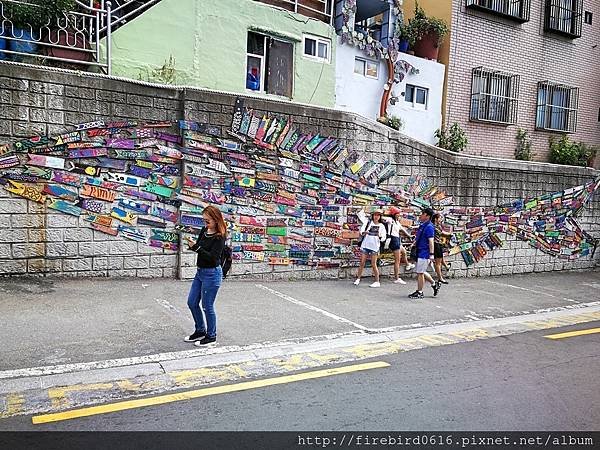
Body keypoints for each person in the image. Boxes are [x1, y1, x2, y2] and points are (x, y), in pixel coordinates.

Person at [184, 205, 226, 346]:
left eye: (208, 221)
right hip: (200, 272)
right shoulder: (204, 230)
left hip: (212, 274)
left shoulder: (219, 237)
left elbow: (213, 258)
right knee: (192, 302)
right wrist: (193, 246)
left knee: (207, 306)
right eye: (204, 221)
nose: (205, 224)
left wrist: (196, 248)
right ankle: (200, 330)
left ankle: (211, 336)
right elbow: (200, 248)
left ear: (216, 220)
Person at [408, 207, 441, 299]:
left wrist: (431, 255)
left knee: (420, 273)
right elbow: (419, 237)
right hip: (419, 251)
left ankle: (420, 292)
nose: (420, 215)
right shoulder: (423, 225)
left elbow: (431, 241)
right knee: (421, 271)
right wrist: (414, 243)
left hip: (424, 253)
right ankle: (434, 284)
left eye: (422, 213)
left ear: (427, 216)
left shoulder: (429, 227)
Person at [354, 208, 387, 288]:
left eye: (378, 215)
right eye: (375, 215)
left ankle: (377, 281)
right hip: (366, 245)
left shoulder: (381, 226)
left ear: (380, 217)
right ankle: (358, 278)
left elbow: (384, 238)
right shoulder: (368, 222)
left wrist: (379, 236)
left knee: (373, 264)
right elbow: (361, 231)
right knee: (362, 262)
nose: (376, 217)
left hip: (374, 246)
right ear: (373, 216)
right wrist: (364, 233)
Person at [382, 207, 415, 284]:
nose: (399, 215)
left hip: (397, 240)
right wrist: (384, 212)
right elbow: (383, 218)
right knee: (397, 260)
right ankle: (397, 278)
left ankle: (407, 265)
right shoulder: (391, 220)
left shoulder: (397, 222)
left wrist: (409, 236)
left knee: (404, 252)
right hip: (393, 240)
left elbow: (402, 229)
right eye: (398, 213)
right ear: (394, 214)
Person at [432, 213, 451, 284]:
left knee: (440, 258)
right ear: (435, 219)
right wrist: (449, 234)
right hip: (436, 244)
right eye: (439, 218)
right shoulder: (433, 226)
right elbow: (442, 233)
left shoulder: (438, 225)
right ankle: (440, 278)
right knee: (438, 263)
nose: (441, 220)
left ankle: (446, 266)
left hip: (439, 244)